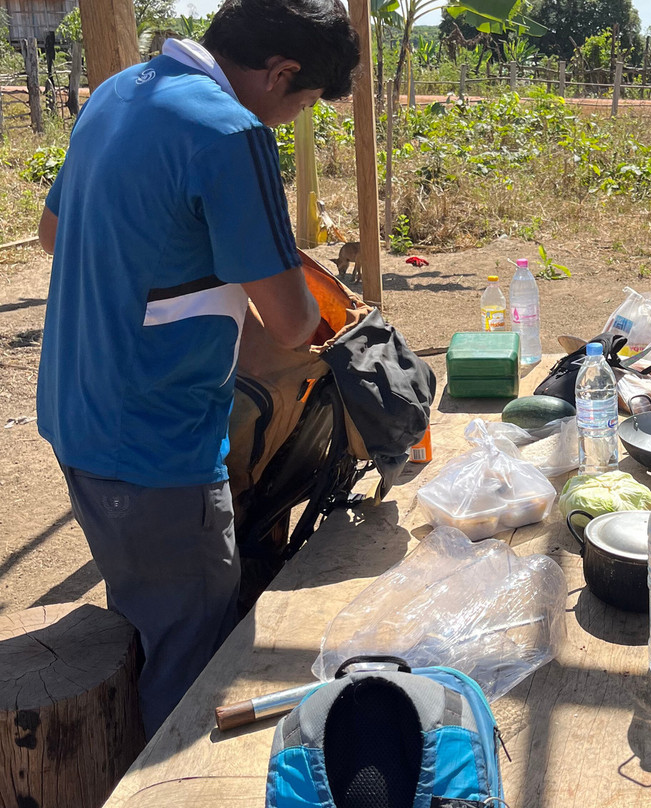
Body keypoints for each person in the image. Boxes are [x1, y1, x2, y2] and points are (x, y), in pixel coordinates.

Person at [35, 0, 360, 735]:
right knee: (191, 658)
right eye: (303, 104)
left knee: (150, 621)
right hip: (154, 446)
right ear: (280, 75)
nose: (291, 118)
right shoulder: (229, 132)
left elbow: (55, 233)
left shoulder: (120, 90)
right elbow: (289, 321)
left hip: (76, 412)